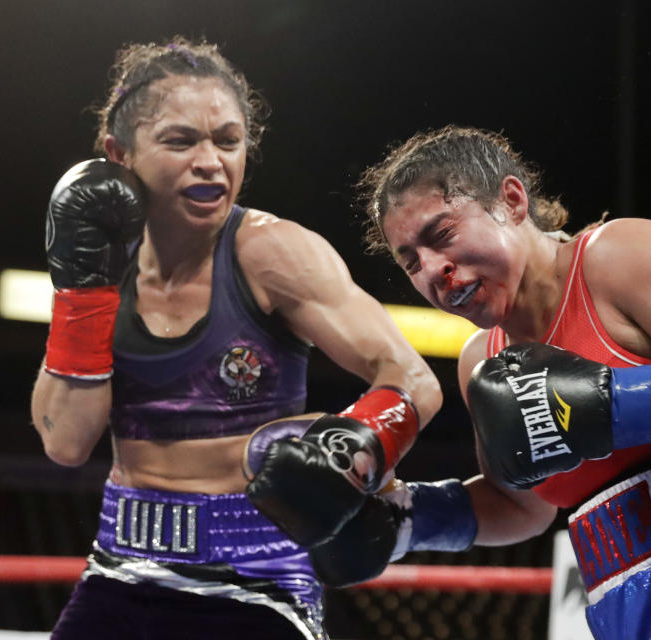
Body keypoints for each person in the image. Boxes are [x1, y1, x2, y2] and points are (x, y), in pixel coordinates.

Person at [336, 125, 651, 639]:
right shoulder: (482, 361)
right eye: (410, 262)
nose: (432, 270)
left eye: (441, 235)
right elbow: (522, 505)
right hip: (617, 592)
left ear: (512, 201)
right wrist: (411, 518)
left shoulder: (614, 257)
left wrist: (608, 405)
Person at [29, 37, 447, 640]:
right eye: (181, 141)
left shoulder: (272, 253)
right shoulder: (100, 263)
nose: (210, 161)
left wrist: (355, 448)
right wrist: (81, 293)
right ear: (118, 154)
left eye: (228, 141)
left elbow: (412, 379)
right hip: (121, 573)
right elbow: (66, 442)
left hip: (259, 587)